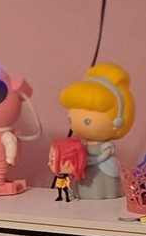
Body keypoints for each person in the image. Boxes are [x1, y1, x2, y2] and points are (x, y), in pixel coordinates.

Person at [56, 63, 136, 200]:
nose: (78, 126)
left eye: (87, 121)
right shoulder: (83, 144)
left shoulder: (107, 146)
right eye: (71, 120)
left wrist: (88, 160)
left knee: (103, 186)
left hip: (102, 172)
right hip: (86, 172)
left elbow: (103, 157)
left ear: (117, 121)